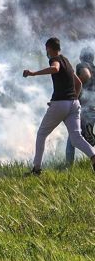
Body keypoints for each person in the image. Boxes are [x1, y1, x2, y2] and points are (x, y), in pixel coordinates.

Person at [25, 38, 95, 174]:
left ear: (49, 48)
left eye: (47, 49)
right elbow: (79, 84)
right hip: (74, 104)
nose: (46, 52)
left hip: (61, 103)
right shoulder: (67, 62)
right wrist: (72, 97)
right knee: (76, 138)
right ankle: (93, 157)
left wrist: (33, 73)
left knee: (41, 134)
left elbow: (55, 68)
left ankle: (36, 169)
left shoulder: (54, 59)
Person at [65, 48, 95, 168]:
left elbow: (85, 74)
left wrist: (77, 90)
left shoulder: (82, 65)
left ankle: (68, 166)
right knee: (86, 136)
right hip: (93, 108)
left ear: (81, 57)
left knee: (73, 136)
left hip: (84, 107)